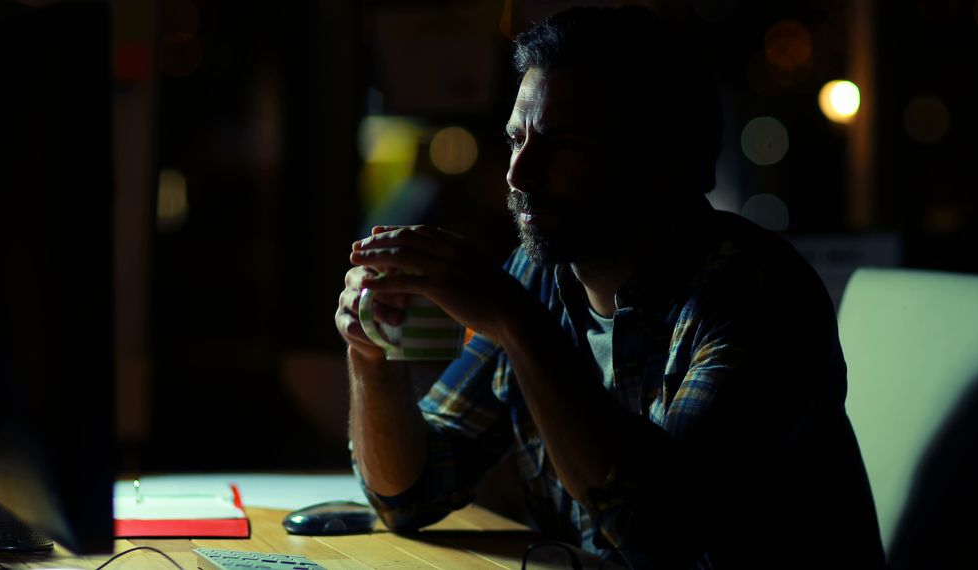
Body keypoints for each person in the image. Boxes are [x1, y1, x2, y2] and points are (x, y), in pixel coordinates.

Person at [334, 6, 885, 568]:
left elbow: (662, 530)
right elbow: (410, 494)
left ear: (656, 162)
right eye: (515, 140)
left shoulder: (756, 295)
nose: (517, 175)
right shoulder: (539, 276)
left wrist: (516, 323)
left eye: (559, 145)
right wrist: (371, 354)